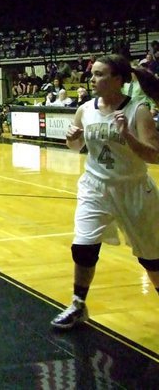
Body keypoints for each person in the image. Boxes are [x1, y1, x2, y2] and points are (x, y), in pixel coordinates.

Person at [51, 54, 159, 330]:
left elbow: (154, 156)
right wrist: (72, 140)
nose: (93, 79)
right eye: (93, 73)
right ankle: (78, 304)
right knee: (83, 247)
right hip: (95, 186)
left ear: (118, 80)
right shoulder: (85, 109)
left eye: (100, 74)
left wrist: (128, 135)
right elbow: (77, 149)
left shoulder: (139, 110)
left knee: (151, 258)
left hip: (133, 189)